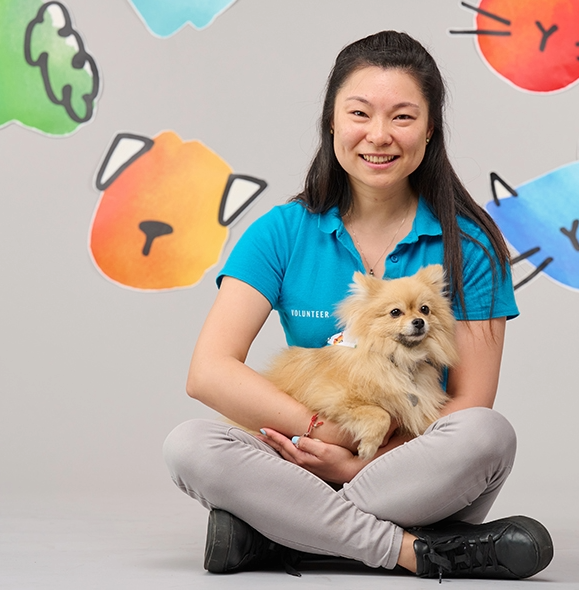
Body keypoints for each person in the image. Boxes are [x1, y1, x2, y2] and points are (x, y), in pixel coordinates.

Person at [163, 30, 553, 581]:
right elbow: (209, 372)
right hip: (299, 460)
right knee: (191, 444)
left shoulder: (469, 247)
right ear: (331, 121)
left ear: (430, 129)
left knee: (489, 435)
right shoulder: (281, 231)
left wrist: (359, 463)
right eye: (360, 113)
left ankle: (280, 536)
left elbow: (469, 401)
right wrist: (326, 432)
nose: (379, 136)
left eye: (402, 117)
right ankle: (415, 551)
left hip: (405, 470)